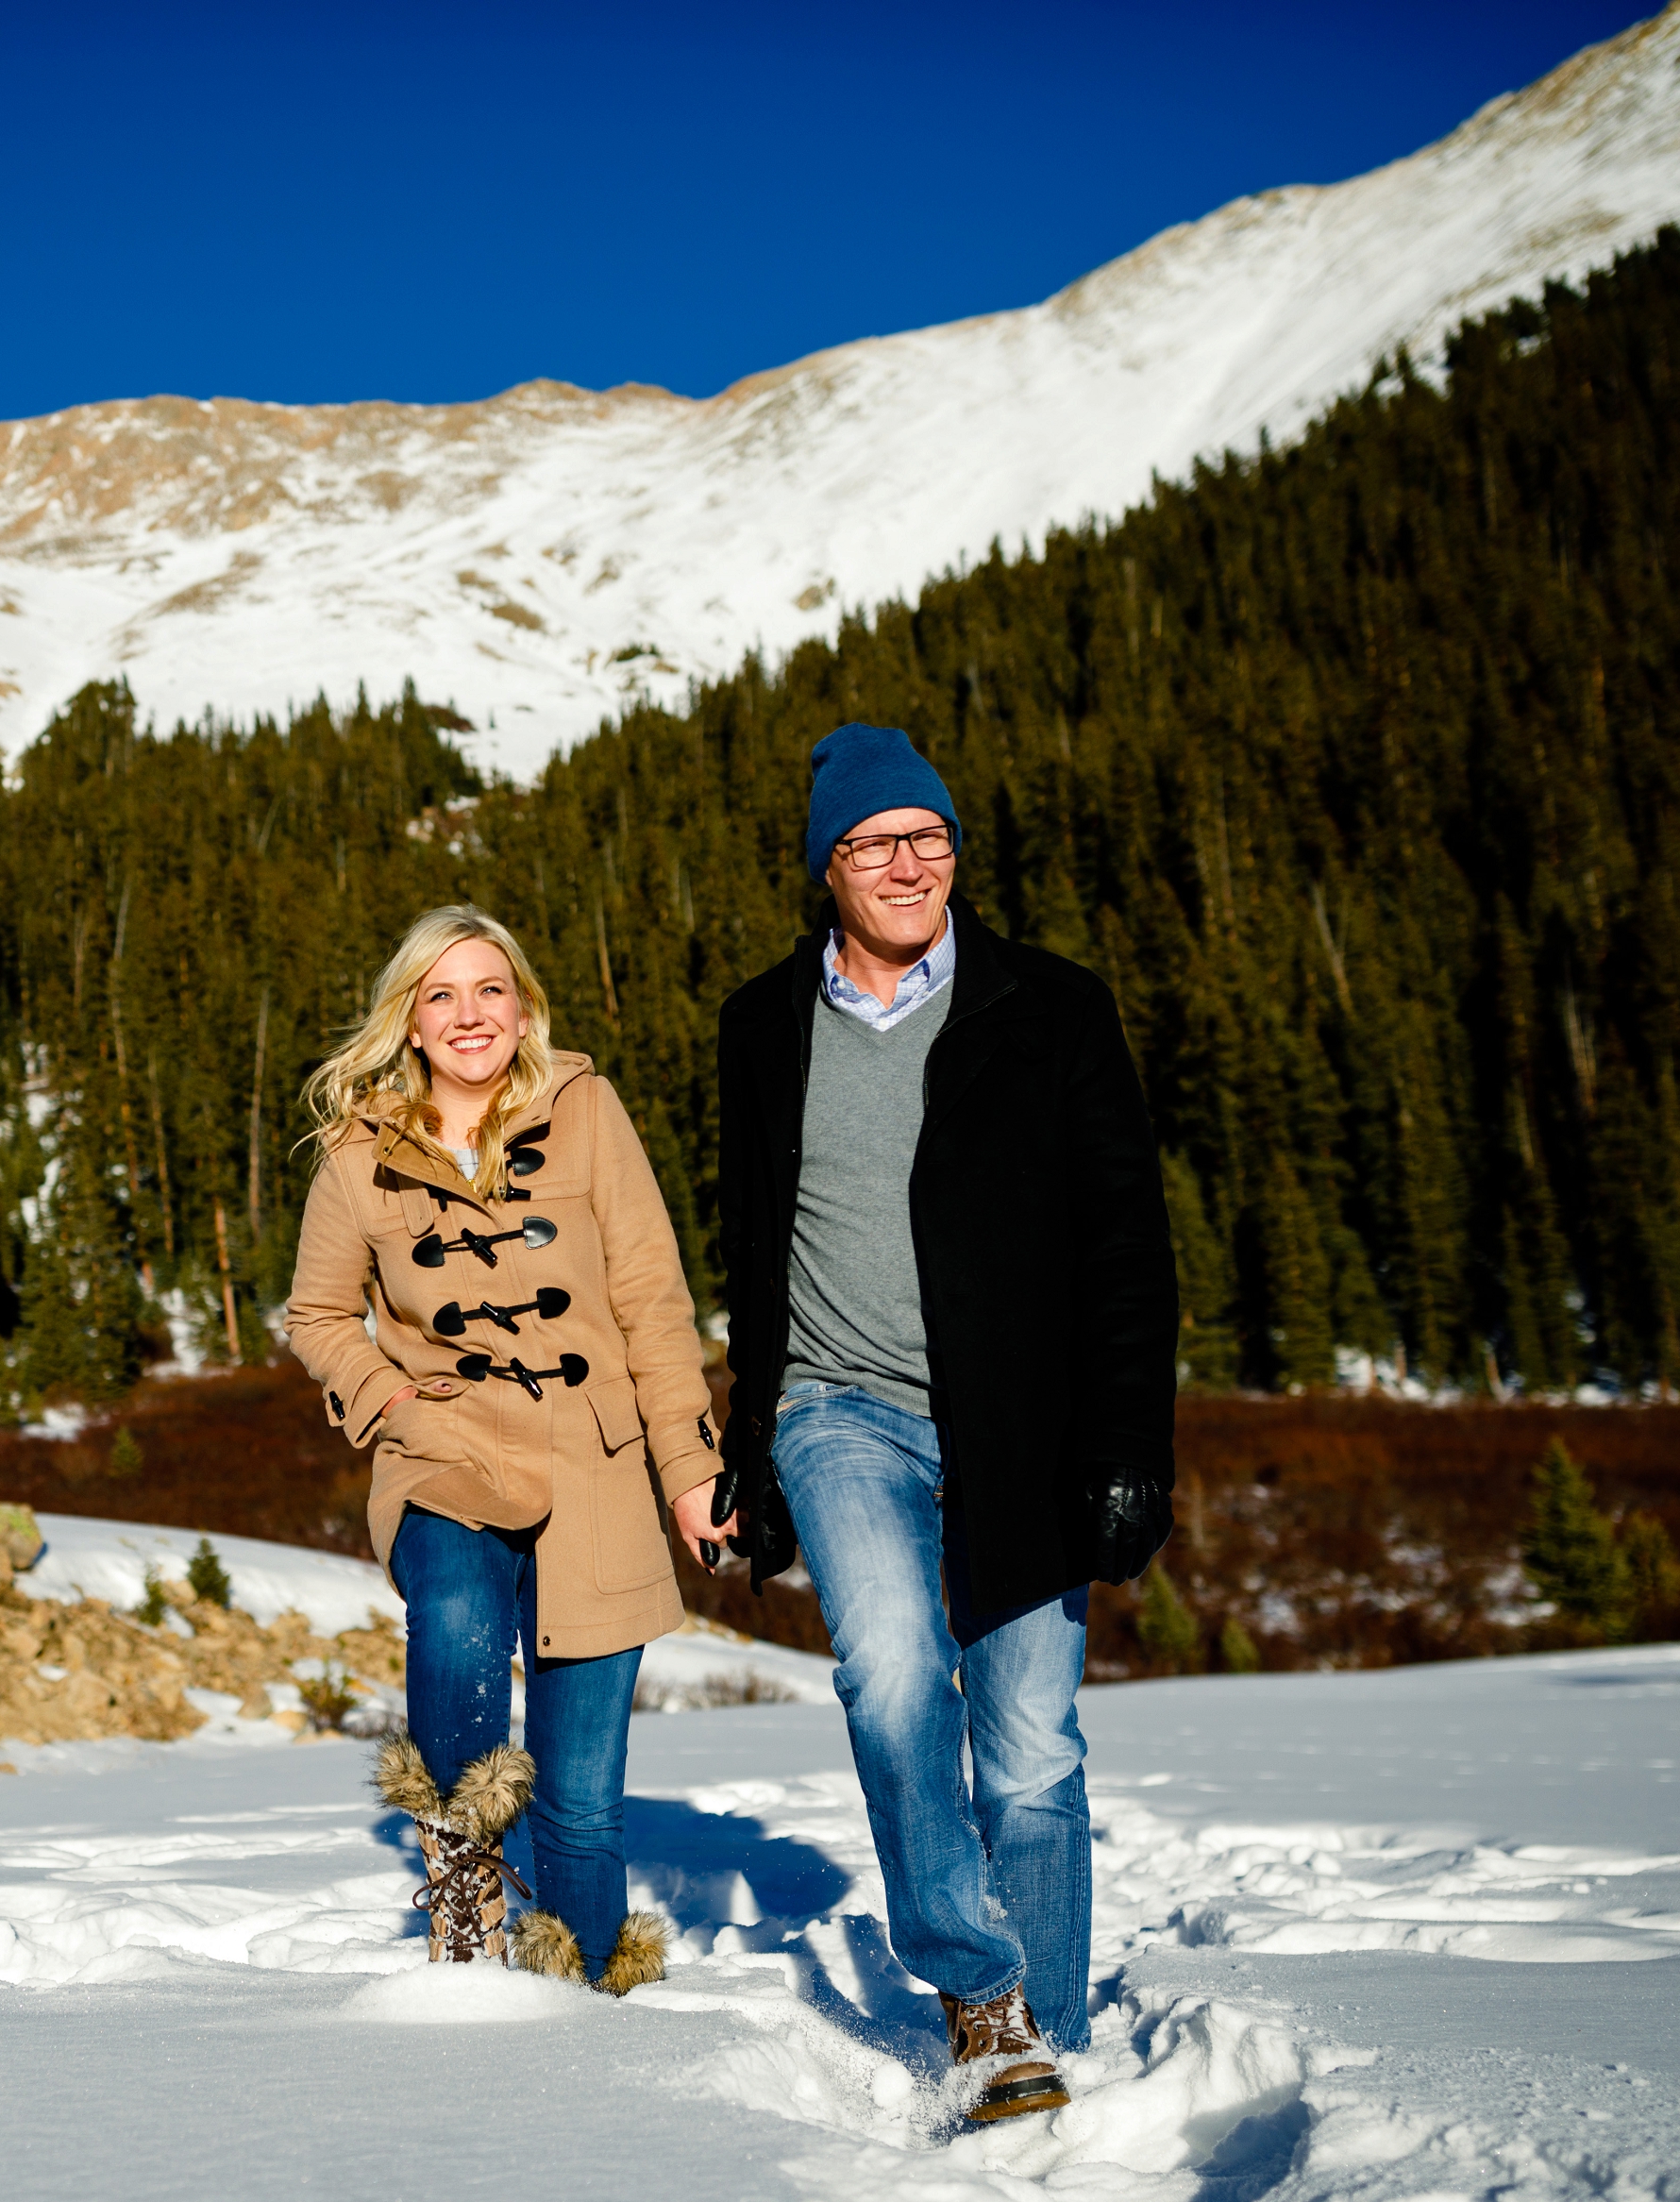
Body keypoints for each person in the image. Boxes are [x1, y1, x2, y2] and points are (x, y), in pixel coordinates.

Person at [699, 724, 1178, 2121]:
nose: (909, 866)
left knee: (1030, 1747)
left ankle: (1054, 2047)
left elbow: (1125, 1246)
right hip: (841, 1412)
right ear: (825, 869)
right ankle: (980, 1995)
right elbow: (754, 1247)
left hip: (1022, 1426)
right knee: (897, 1674)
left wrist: (1129, 1448)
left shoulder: (1052, 1007)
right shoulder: (761, 1023)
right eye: (874, 843)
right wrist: (754, 1442)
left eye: (931, 837)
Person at [287, 904, 718, 1991]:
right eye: (440, 994)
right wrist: (394, 1400)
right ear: (411, 1021)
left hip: (596, 1466)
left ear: (522, 1005)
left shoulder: (586, 1110)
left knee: (579, 1798)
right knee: (455, 1615)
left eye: (488, 988)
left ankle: (578, 1992)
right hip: (444, 1448)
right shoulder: (357, 1152)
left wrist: (690, 1465)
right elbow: (318, 1315)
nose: (467, 1013)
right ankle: (463, 1875)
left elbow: (651, 1301)